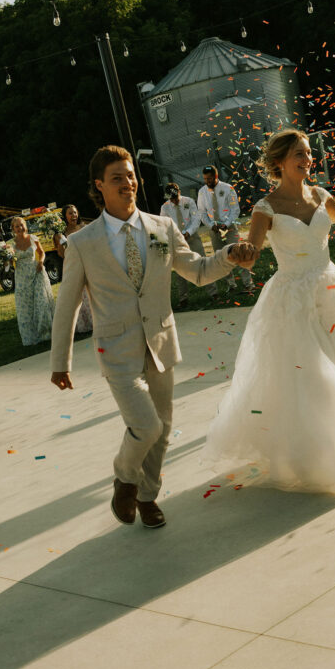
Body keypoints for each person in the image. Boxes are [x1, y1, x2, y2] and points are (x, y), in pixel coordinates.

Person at [50, 145, 255, 530]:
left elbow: (197, 270)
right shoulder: (82, 243)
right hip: (117, 350)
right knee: (147, 426)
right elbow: (68, 305)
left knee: (161, 432)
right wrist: (60, 362)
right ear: (99, 185)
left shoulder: (162, 228)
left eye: (130, 175)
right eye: (117, 178)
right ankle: (124, 477)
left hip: (161, 343)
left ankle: (147, 498)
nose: (128, 183)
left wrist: (228, 255)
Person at [203, 128, 335, 497]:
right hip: (292, 301)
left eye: (309, 152)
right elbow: (251, 252)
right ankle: (330, 462)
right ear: (279, 163)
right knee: (317, 380)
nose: (308, 158)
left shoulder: (321, 195)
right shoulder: (265, 208)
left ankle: (322, 452)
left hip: (331, 294)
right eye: (299, 153)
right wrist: (243, 254)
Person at [197, 165, 254, 296]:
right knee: (221, 258)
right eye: (205, 179)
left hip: (229, 228)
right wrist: (211, 225)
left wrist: (226, 224)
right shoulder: (202, 192)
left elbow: (235, 210)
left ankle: (248, 284)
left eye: (210, 179)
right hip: (214, 230)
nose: (207, 182)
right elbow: (202, 212)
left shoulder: (228, 188)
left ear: (216, 177)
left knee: (239, 253)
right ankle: (231, 285)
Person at [160, 182, 217, 306]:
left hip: (192, 237)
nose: (174, 201)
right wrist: (177, 236)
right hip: (177, 240)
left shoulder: (189, 201)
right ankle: (183, 298)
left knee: (202, 262)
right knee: (179, 269)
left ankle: (213, 292)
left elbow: (196, 219)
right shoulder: (165, 207)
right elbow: (164, 224)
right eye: (171, 199)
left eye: (175, 198)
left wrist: (188, 232)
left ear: (179, 192)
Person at [10, 216, 55, 346]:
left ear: (26, 226)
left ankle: (47, 333)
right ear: (13, 229)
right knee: (27, 306)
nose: (20, 228)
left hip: (37, 272)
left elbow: (42, 253)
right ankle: (31, 336)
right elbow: (11, 260)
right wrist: (7, 259)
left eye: (22, 225)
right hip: (22, 277)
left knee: (42, 302)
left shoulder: (33, 238)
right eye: (17, 226)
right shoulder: (11, 244)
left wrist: (41, 262)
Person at [54, 204, 94, 333]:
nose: (74, 216)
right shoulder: (62, 233)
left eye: (75, 213)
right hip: (74, 266)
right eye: (70, 213)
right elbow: (61, 254)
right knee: (80, 294)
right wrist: (59, 240)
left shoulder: (84, 227)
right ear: (65, 217)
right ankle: (85, 322)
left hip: (89, 263)